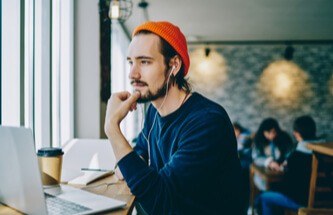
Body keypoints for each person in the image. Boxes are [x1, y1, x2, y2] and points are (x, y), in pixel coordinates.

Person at [104, 21, 243, 214]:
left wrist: (112, 127)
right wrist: (135, 162)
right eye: (130, 62)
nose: (132, 74)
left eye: (144, 61)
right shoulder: (154, 110)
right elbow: (142, 149)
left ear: (174, 65)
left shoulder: (207, 122)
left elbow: (162, 201)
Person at [257, 115, 320, 215]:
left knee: (263, 197)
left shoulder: (297, 156)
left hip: (303, 202)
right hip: (324, 202)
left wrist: (284, 166)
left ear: (296, 134)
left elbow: (290, 184)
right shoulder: (326, 152)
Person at [252, 118, 293, 191]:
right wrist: (269, 162)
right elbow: (256, 158)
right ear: (263, 132)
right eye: (268, 132)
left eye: (273, 132)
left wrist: (286, 162)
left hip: (281, 170)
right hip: (263, 171)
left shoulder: (284, 138)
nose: (271, 135)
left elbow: (290, 153)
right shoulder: (258, 140)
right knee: (265, 185)